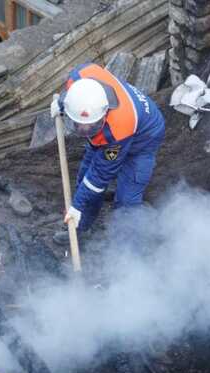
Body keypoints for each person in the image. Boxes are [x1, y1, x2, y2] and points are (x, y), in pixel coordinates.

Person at [50, 62, 165, 244]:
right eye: (79, 125)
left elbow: (99, 176)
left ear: (104, 113)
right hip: (111, 132)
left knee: (126, 199)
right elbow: (77, 98)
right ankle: (82, 227)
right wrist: (63, 105)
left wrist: (77, 205)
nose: (84, 130)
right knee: (83, 181)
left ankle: (125, 251)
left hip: (145, 138)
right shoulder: (80, 75)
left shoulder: (118, 129)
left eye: (90, 127)